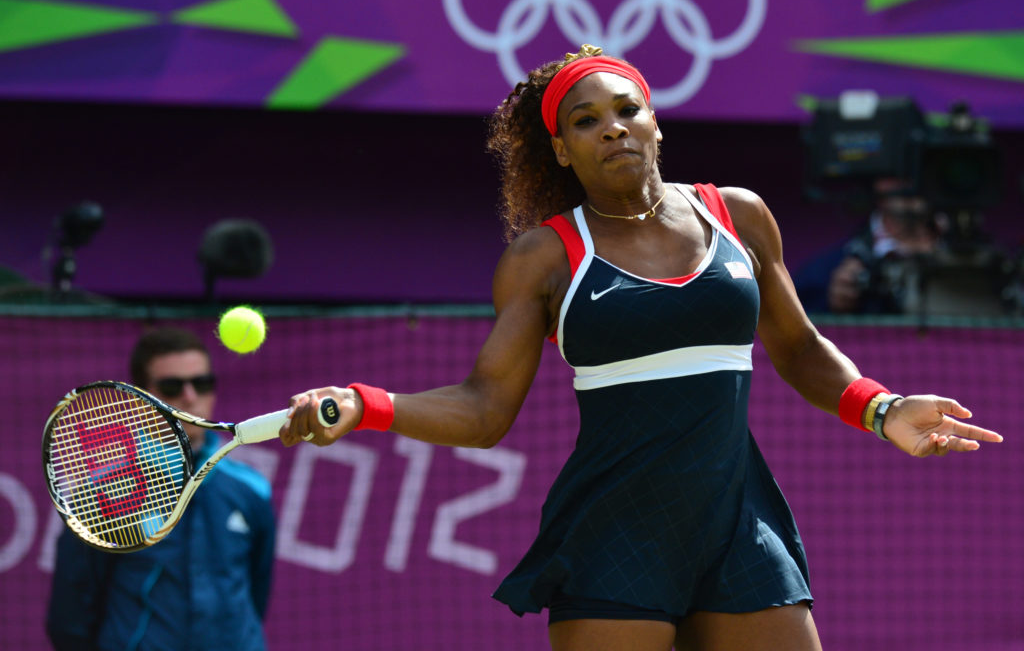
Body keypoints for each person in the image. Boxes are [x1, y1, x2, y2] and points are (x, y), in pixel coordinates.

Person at [280, 45, 1002, 651]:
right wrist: (367, 406)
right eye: (586, 121)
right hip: (616, 532)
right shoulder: (545, 256)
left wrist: (885, 408)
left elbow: (801, 348)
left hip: (737, 520)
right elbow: (484, 408)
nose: (614, 129)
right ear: (561, 149)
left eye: (628, 110)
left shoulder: (739, 215)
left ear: (655, 121)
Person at [47, 327, 276, 651]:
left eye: (201, 383)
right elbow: (71, 618)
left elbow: (256, 593)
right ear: (142, 398)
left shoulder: (251, 489)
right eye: (171, 387)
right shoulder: (100, 493)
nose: (190, 397)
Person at [794, 176, 944, 314]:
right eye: (896, 169)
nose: (910, 179)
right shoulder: (827, 272)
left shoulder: (959, 254)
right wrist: (832, 309)